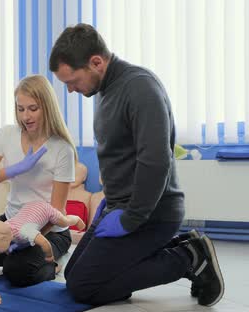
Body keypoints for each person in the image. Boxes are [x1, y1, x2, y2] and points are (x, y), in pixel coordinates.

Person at [49, 23, 224, 307]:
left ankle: (188, 257)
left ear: (96, 62)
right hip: (121, 207)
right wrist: (110, 204)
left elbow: (155, 162)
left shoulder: (139, 87)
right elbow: (122, 159)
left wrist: (132, 217)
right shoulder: (106, 90)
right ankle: (178, 248)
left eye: (72, 81)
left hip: (153, 213)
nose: (70, 90)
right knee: (73, 274)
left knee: (84, 287)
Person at [0, 74, 77, 287]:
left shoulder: (61, 149)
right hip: (11, 222)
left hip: (49, 230)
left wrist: (27, 237)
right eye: (21, 109)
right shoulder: (6, 135)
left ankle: (55, 263)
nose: (26, 116)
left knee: (17, 272)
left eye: (33, 108)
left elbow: (57, 211)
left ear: (47, 107)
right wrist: (14, 169)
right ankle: (16, 256)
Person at [0, 201, 85, 262]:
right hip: (30, 208)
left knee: (64, 222)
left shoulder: (24, 231)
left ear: (3, 238)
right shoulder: (6, 226)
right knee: (35, 235)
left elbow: (44, 243)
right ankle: (48, 224)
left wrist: (49, 256)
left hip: (45, 209)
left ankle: (76, 219)